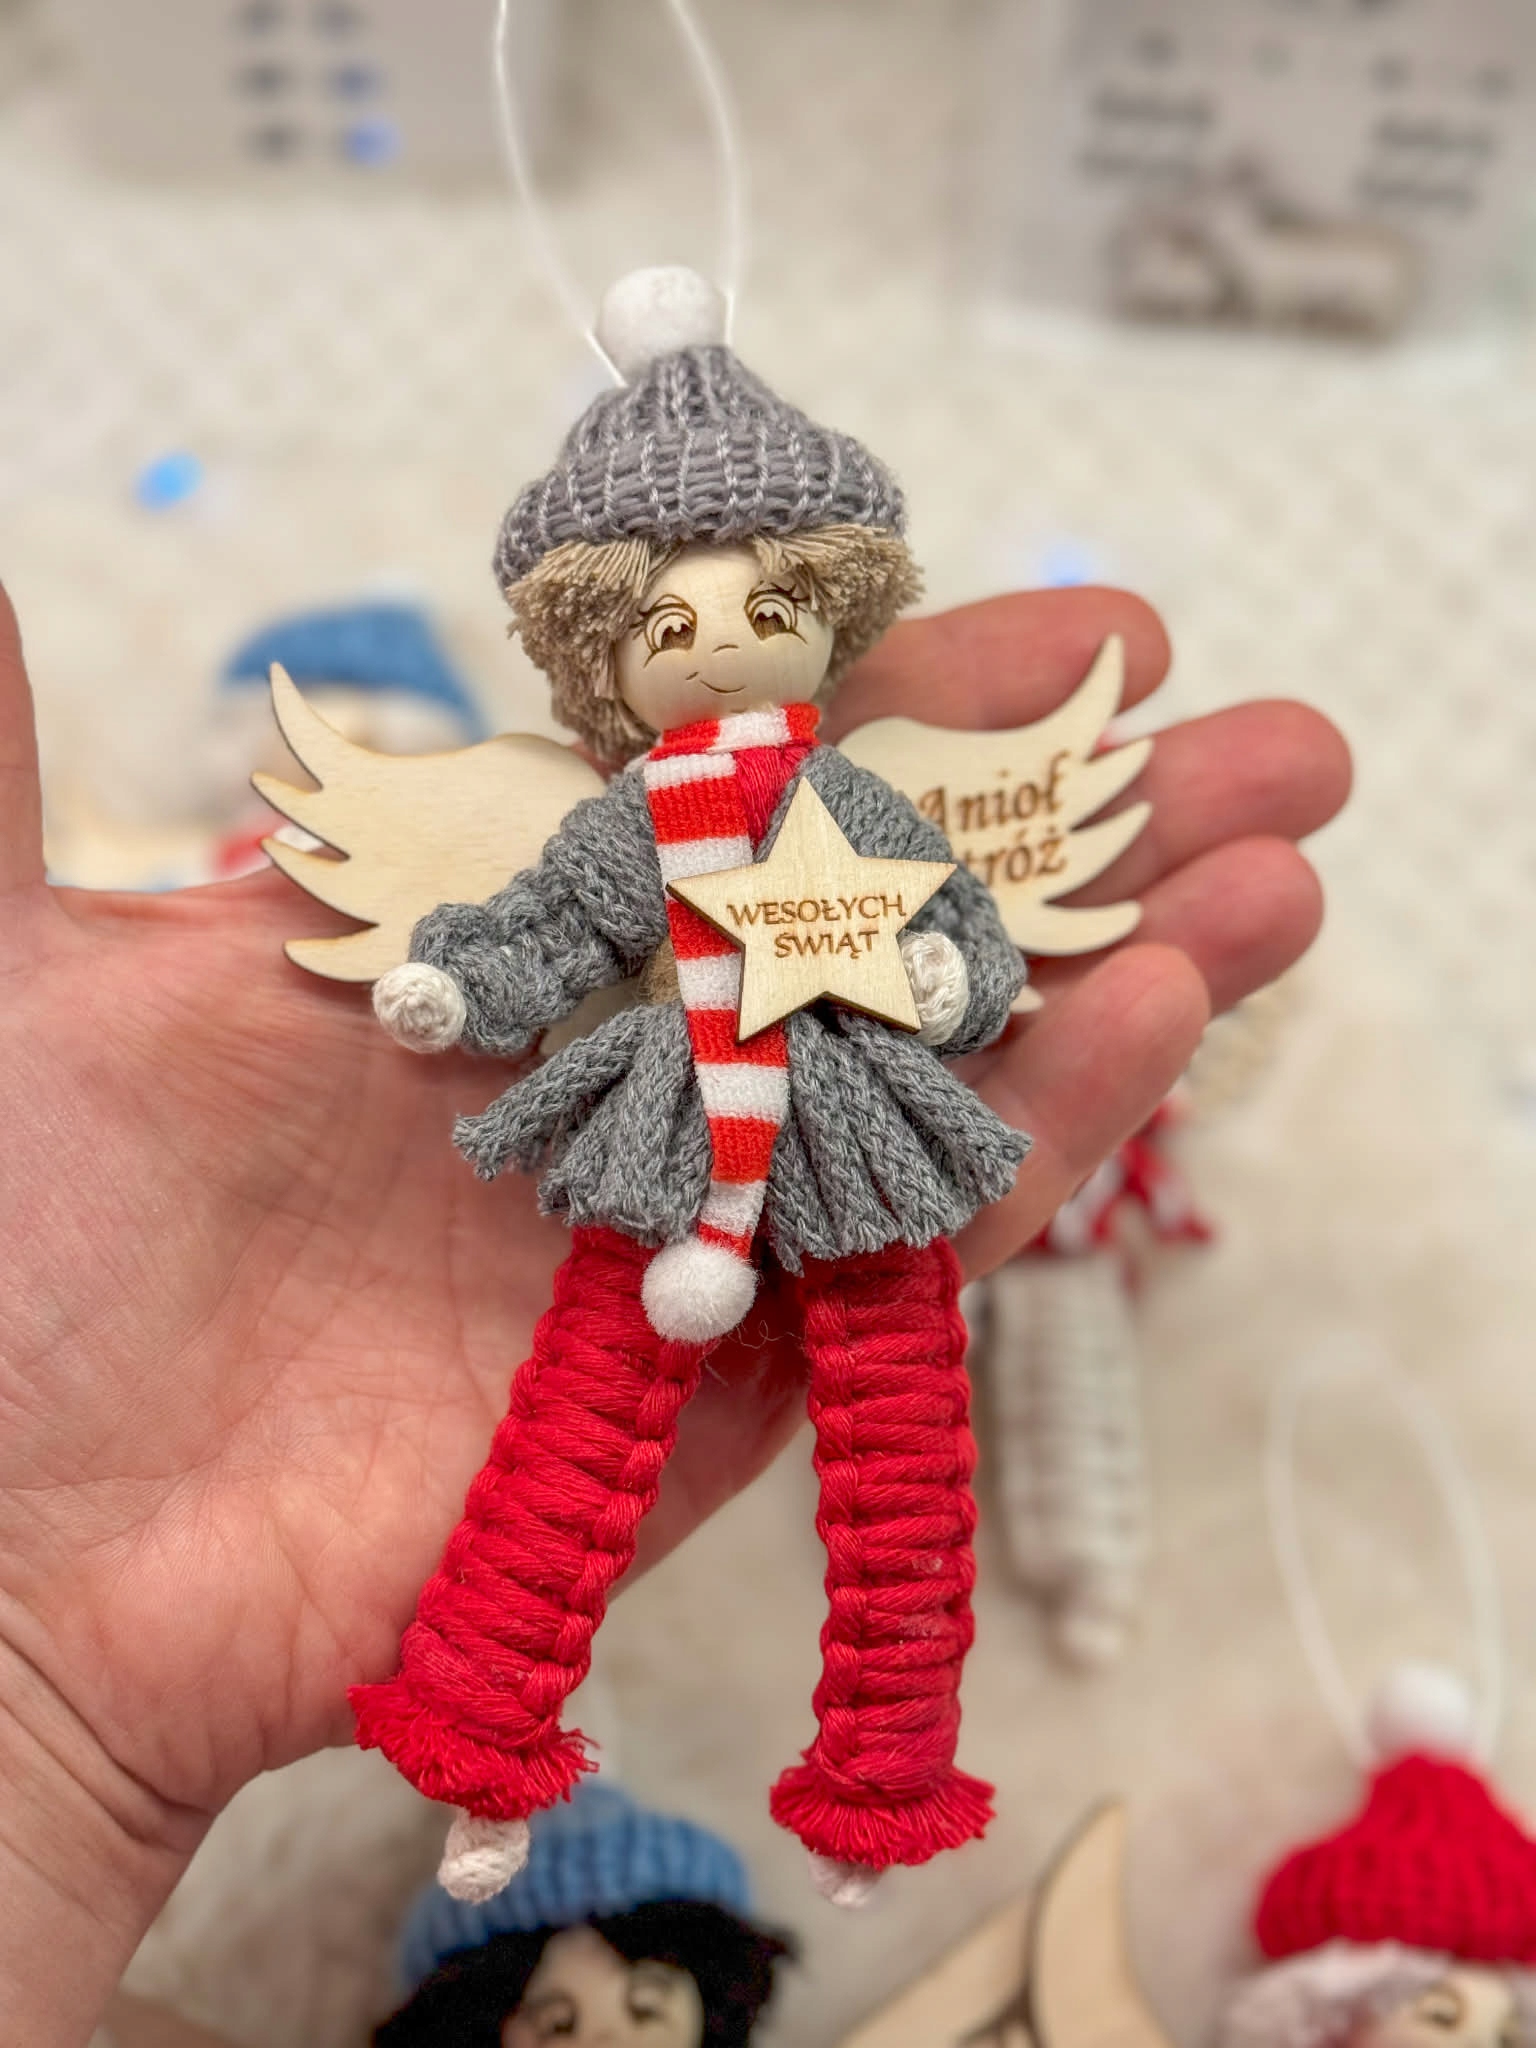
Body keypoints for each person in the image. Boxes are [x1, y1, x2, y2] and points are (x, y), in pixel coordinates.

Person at [0, 563, 1350, 2044]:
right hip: (665, 1136)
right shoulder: (630, 821)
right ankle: (478, 1735)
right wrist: (465, 989)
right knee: (571, 1444)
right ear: (609, 658)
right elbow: (549, 929)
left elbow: (968, 942)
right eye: (668, 626)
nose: (719, 648)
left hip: (857, 1133)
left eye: (766, 616)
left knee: (904, 1456)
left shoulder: (859, 807)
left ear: (830, 623)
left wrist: (938, 972)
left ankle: (886, 1772)